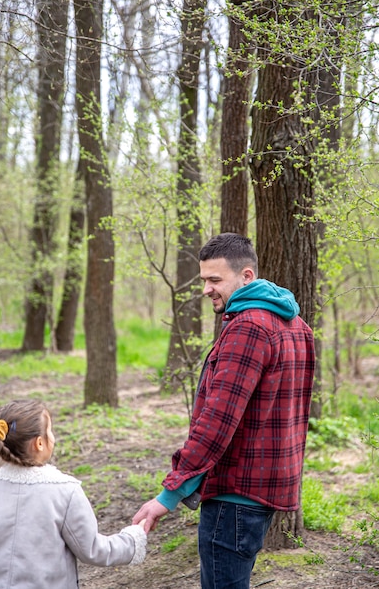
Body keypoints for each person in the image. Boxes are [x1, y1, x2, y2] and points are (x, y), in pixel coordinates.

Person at [133, 233, 315, 589]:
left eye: (215, 280)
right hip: (264, 489)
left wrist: (169, 495)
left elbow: (216, 423)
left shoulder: (248, 328)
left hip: (235, 496)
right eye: (204, 280)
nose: (206, 289)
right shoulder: (297, 326)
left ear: (246, 276)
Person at [0, 399, 147, 589]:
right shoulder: (66, 491)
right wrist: (133, 540)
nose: (53, 437)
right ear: (40, 443)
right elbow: (92, 550)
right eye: (50, 430)